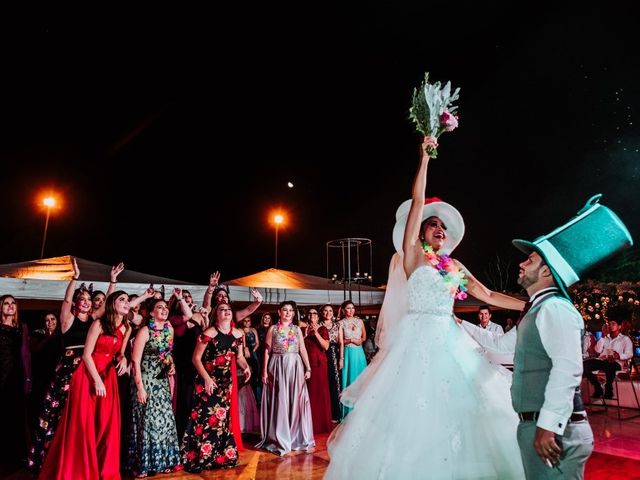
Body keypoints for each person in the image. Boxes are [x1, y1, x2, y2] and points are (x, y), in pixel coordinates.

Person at [325, 136, 526, 479]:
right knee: (410, 414)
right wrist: (424, 158)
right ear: (419, 231)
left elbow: (487, 294)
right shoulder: (412, 257)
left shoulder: (455, 267)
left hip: (451, 340)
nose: (440, 230)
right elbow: (418, 200)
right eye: (434, 224)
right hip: (414, 342)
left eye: (443, 227)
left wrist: (531, 302)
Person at [461, 193, 632, 478]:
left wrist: (548, 426)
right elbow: (499, 343)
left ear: (546, 271)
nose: (521, 264)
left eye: (530, 260)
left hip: (554, 433)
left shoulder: (555, 309)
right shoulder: (537, 309)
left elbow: (568, 369)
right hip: (539, 427)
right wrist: (455, 322)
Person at [40, 290, 133, 480]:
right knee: (83, 425)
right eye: (121, 299)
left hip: (109, 377)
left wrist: (124, 360)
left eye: (127, 300)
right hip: (88, 376)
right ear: (112, 304)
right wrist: (97, 380)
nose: (126, 302)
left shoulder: (126, 328)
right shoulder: (98, 324)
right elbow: (86, 354)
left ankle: (103, 469)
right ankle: (79, 470)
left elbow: (119, 353)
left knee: (106, 424)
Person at [181, 302, 251, 473]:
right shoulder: (209, 333)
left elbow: (239, 356)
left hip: (226, 382)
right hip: (207, 380)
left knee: (222, 419)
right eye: (222, 310)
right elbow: (196, 359)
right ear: (216, 314)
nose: (226, 312)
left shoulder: (238, 333)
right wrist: (206, 379)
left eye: (228, 310)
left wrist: (246, 366)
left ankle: (221, 456)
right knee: (205, 418)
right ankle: (202, 456)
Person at [128, 295, 182, 477]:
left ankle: (165, 461)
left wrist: (171, 364)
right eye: (160, 307)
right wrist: (140, 388)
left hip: (161, 380)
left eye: (165, 307)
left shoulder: (169, 329)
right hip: (146, 379)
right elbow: (135, 361)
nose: (164, 310)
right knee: (148, 422)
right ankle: (146, 464)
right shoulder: (144, 331)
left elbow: (167, 354)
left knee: (165, 421)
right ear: (151, 312)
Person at [257, 300, 315, 456]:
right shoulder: (273, 329)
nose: (288, 313)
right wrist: (264, 371)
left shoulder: (297, 329)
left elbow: (302, 348)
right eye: (285, 310)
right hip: (277, 366)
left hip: (295, 365)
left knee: (295, 400)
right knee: (280, 400)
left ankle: (295, 436)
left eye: (290, 310)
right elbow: (266, 351)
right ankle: (280, 437)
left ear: (294, 313)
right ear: (279, 312)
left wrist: (308, 367)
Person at [0, 295, 31, 474]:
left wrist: (28, 378)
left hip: (16, 376)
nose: (10, 306)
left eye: (13, 303)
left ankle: (16, 457)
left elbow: (26, 355)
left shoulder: (22, 328)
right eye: (6, 303)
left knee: (16, 415)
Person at [583, 305, 634, 399]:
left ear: (619, 326)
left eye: (613, 324)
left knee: (609, 364)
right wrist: (602, 336)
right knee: (584, 365)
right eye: (609, 324)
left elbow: (630, 354)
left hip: (616, 363)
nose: (610, 326)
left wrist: (619, 356)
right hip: (602, 361)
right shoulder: (605, 338)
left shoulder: (625, 339)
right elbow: (597, 350)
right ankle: (597, 387)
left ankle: (608, 388)